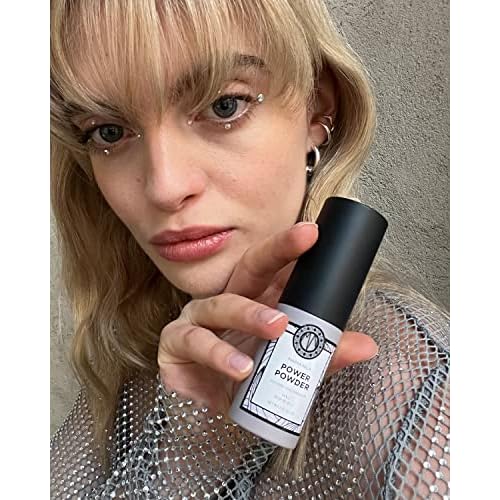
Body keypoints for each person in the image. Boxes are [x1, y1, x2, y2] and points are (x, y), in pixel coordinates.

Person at [50, 0, 450, 498]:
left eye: (224, 106)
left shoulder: (423, 415)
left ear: (317, 108)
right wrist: (195, 441)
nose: (164, 187)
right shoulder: (136, 335)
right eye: (108, 131)